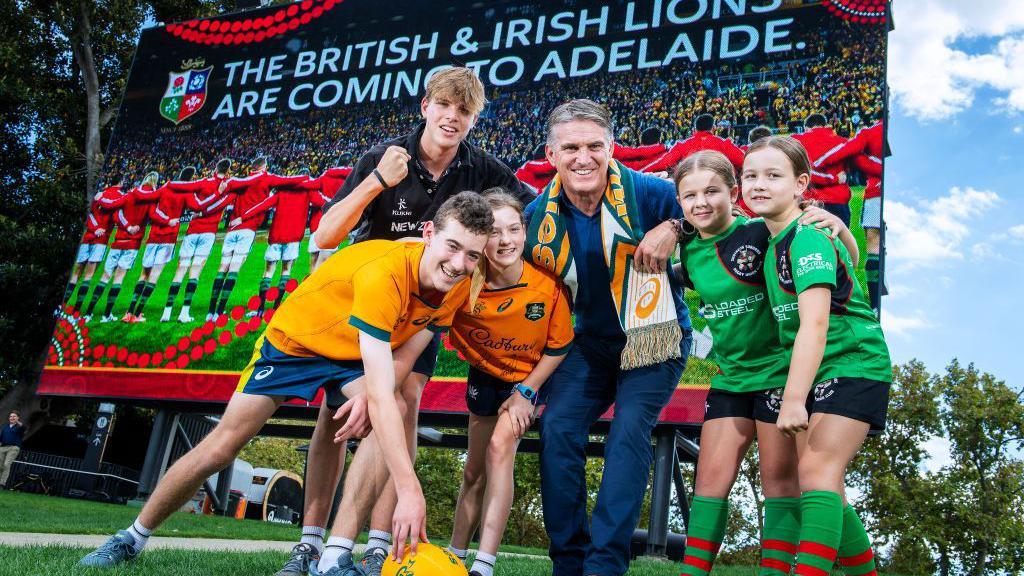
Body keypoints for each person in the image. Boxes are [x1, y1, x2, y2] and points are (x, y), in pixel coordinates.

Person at [78, 192, 492, 570]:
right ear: (428, 233)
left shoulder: (458, 285)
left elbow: (409, 347)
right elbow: (383, 371)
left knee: (394, 407)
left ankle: (333, 558)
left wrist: (371, 393)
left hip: (352, 354)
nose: (458, 265)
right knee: (223, 446)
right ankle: (131, 537)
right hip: (298, 340)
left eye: (471, 256)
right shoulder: (383, 273)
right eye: (452, 247)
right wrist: (409, 489)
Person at [278, 66, 534, 576]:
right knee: (335, 416)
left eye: (464, 111)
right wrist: (377, 182)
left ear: (474, 118)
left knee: (405, 402)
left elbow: (533, 204)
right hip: (369, 299)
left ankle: (378, 542)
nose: (452, 117)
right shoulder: (385, 156)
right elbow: (326, 234)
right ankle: (309, 541)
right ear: (425, 107)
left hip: (423, 310)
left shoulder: (479, 169)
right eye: (444, 105)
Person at [523, 99, 692, 576]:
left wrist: (674, 227)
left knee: (627, 434)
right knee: (557, 429)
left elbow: (715, 219)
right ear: (552, 155)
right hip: (589, 346)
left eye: (594, 146)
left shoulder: (652, 193)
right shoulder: (535, 216)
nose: (584, 158)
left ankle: (605, 565)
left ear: (611, 149)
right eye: (571, 147)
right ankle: (568, 563)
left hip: (654, 342)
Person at [671, 151, 857, 576]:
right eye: (690, 195)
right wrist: (668, 229)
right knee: (710, 481)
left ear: (733, 194)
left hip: (780, 373)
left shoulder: (762, 232)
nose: (701, 203)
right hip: (731, 377)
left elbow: (843, 262)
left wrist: (842, 229)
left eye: (712, 191)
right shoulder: (686, 249)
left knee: (782, 483)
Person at [743, 136, 891, 576]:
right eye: (750, 175)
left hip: (853, 363)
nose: (759, 184)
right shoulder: (775, 243)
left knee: (816, 471)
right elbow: (850, 265)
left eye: (773, 175)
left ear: (800, 184)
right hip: (819, 369)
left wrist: (792, 398)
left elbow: (816, 324)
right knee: (826, 486)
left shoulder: (805, 239)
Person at [446, 189, 573, 576]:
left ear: (525, 232)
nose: (505, 241)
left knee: (502, 449)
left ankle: (483, 564)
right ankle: (454, 555)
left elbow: (559, 347)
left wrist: (526, 393)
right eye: (495, 232)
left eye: (514, 230)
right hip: (485, 376)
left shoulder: (547, 287)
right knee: (474, 472)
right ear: (480, 238)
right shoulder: (464, 286)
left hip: (530, 379)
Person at [203, 157, 308, 321]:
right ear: (264, 167)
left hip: (234, 229)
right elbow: (286, 186)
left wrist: (205, 210)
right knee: (235, 269)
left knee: (223, 268)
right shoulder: (267, 179)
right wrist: (306, 178)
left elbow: (226, 200)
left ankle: (212, 313)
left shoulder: (240, 183)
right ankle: (273, 309)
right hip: (252, 230)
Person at [159, 159, 234, 323]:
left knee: (179, 272)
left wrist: (170, 184)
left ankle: (167, 312)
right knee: (195, 272)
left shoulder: (203, 182)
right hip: (208, 233)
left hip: (192, 232)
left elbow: (179, 187)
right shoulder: (227, 187)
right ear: (228, 171)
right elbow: (221, 204)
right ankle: (184, 312)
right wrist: (214, 198)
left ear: (215, 168)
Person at [84, 173, 161, 323]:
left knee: (105, 277)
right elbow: (153, 215)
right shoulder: (151, 197)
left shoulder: (130, 194)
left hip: (118, 241)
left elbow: (114, 209)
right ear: (154, 183)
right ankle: (106, 316)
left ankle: (88, 314)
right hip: (133, 243)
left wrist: (99, 198)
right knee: (118, 279)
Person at [64, 177, 128, 313]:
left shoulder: (99, 195)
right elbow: (117, 217)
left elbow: (90, 215)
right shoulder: (121, 197)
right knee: (89, 275)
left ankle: (63, 306)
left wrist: (94, 228)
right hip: (102, 239)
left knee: (76, 273)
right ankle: (77, 310)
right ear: (120, 183)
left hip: (88, 237)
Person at [791, 114, 854, 225]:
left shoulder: (796, 142)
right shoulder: (842, 142)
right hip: (838, 200)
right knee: (838, 241)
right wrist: (835, 178)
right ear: (825, 125)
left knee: (810, 241)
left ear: (806, 128)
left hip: (809, 200)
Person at [641, 113, 745, 174]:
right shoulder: (724, 144)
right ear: (713, 128)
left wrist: (640, 173)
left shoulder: (682, 146)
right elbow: (744, 161)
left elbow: (663, 163)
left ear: (694, 130)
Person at [0, 410, 26, 488]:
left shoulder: (19, 427)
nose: (12, 418)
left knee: (6, 464)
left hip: (13, 448)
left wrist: (18, 422)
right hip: (3, 448)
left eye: (14, 416)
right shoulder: (5, 428)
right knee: (0, 466)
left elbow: (24, 428)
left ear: (18, 418)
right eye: (11, 416)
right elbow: (1, 439)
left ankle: (2, 483)